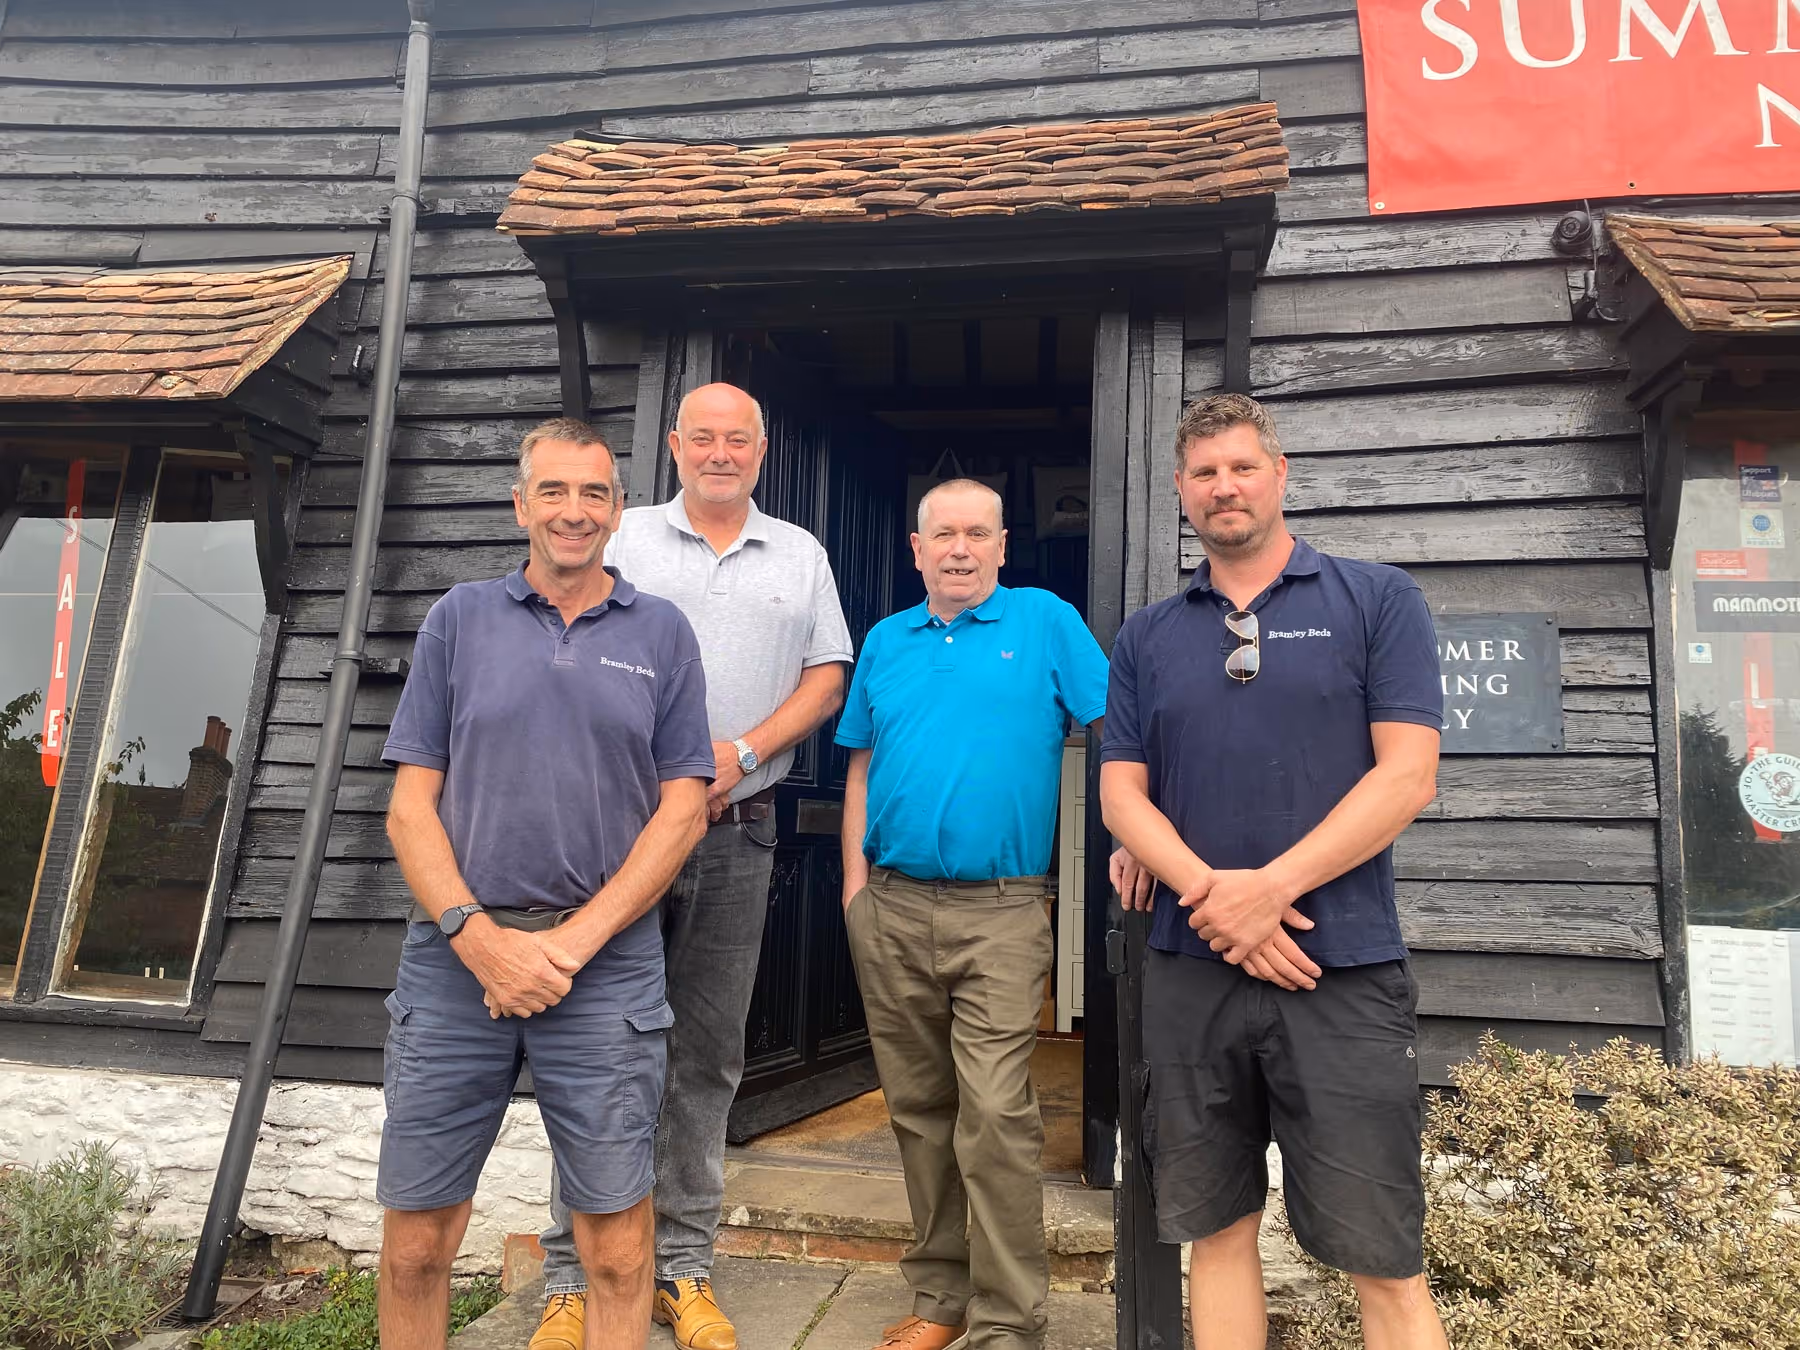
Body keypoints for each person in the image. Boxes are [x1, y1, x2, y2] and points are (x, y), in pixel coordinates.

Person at [1099, 393, 1448, 1350]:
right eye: (1204, 474)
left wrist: (1271, 889)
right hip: (1190, 966)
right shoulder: (1147, 636)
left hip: (1341, 968)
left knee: (1384, 1255)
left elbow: (1407, 774)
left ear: (1280, 475)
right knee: (1216, 1233)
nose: (1225, 488)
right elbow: (1122, 798)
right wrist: (1221, 903)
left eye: (1242, 467)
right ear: (1179, 491)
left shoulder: (1377, 600)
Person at [376, 419, 714, 1350]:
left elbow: (682, 810)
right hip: (455, 963)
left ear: (618, 511)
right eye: (555, 492)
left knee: (613, 1245)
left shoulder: (662, 633)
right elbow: (411, 809)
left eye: (595, 493)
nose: (575, 511)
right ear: (521, 503)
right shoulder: (460, 620)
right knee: (415, 1244)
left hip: (603, 969)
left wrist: (567, 946)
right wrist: (479, 940)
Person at [532, 384, 853, 1350]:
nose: (720, 452)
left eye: (738, 439)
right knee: (594, 1051)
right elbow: (557, 644)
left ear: (762, 450)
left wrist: (744, 753)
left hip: (740, 827)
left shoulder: (799, 553)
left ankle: (682, 1269)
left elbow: (829, 675)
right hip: (617, 834)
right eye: (702, 436)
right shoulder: (617, 535)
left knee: (706, 1055)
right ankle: (570, 1280)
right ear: (674, 446)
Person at [836, 478, 1113, 1350]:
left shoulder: (1045, 623)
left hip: (1000, 910)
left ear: (1002, 546)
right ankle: (940, 1302)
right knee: (919, 1108)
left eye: (978, 534)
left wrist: (1134, 837)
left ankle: (1007, 1321)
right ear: (916, 549)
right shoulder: (886, 640)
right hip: (889, 905)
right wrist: (853, 891)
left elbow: (1120, 728)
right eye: (942, 535)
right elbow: (860, 768)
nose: (960, 549)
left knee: (993, 1113)